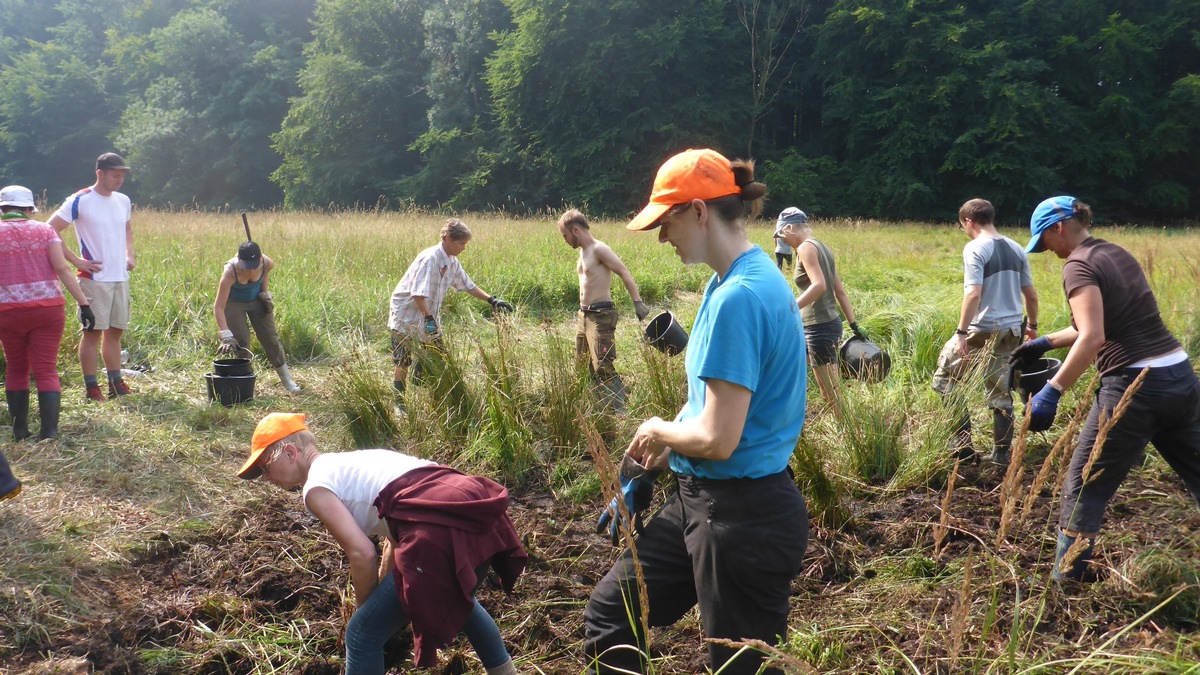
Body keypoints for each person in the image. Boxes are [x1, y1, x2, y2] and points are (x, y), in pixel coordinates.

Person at [583, 149, 809, 675]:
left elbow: (719, 438)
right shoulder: (725, 284)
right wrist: (656, 456)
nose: (663, 236)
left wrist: (655, 427)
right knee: (612, 615)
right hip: (699, 499)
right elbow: (706, 408)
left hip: (741, 516)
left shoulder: (740, 297)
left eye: (667, 221)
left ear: (700, 211)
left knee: (739, 667)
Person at [237, 413, 525, 674]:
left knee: (361, 635)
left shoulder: (315, 488)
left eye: (265, 468)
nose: (265, 479)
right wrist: (381, 601)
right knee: (455, 595)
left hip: (439, 527)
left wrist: (365, 611)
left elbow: (362, 553)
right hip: (474, 507)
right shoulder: (354, 461)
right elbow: (392, 542)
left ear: (290, 453)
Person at [1015, 196, 1200, 581]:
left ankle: (1068, 579)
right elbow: (1099, 323)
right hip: (1180, 378)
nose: (1047, 251)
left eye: (1044, 241)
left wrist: (1053, 390)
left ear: (1058, 227)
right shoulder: (1114, 252)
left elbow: (1093, 337)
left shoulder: (1078, 265)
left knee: (1084, 485)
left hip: (1135, 386)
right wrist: (1044, 342)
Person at [930, 198, 1038, 464]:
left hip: (982, 328)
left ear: (968, 221)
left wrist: (960, 333)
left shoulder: (975, 248)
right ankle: (1001, 455)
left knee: (943, 381)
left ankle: (962, 447)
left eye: (962, 225)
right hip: (1012, 329)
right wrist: (1032, 327)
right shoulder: (1016, 248)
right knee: (1001, 392)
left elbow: (973, 293)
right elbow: (1031, 295)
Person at [1, 185, 94, 442]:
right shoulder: (45, 230)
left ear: (3, 209)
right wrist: (84, 304)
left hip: (7, 312)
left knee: (17, 367)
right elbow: (63, 270)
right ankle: (49, 432)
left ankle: (19, 430)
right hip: (48, 310)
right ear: (30, 209)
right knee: (46, 370)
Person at [387, 219, 512, 409]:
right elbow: (417, 293)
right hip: (406, 314)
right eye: (461, 243)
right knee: (403, 360)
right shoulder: (430, 259)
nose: (463, 248)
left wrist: (492, 300)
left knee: (438, 354)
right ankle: (399, 404)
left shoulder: (452, 262)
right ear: (446, 238)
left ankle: (423, 387)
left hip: (427, 314)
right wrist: (428, 319)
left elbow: (467, 285)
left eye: (465, 244)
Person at [49, 152, 135, 402]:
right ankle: (91, 387)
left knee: (116, 331)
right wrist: (75, 260)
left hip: (120, 277)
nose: (120, 180)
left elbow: (127, 229)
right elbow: (49, 230)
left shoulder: (123, 200)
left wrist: (131, 255)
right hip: (93, 279)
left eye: (122, 176)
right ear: (100, 173)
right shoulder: (80, 200)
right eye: (115, 175)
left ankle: (116, 382)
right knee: (92, 333)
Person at [557, 208, 650, 412]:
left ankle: (620, 412)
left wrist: (638, 302)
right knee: (582, 366)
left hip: (601, 317)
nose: (564, 240)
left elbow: (624, 272)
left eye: (564, 235)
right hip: (584, 316)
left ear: (575, 230)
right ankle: (593, 408)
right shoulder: (583, 252)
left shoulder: (599, 249)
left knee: (604, 366)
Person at [776, 207, 861, 405]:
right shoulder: (823, 248)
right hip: (826, 324)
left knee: (830, 393)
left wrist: (790, 309)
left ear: (789, 227)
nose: (782, 241)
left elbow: (820, 285)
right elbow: (839, 291)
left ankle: (847, 431)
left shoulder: (805, 248)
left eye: (781, 235)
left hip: (819, 327)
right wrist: (854, 324)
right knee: (792, 368)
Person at [213, 241, 300, 393]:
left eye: (253, 265)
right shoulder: (230, 271)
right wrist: (226, 334)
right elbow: (219, 307)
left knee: (270, 338)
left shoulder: (267, 263)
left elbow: (265, 274)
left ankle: (287, 381)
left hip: (256, 300)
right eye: (246, 265)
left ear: (260, 259)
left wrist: (265, 294)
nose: (249, 269)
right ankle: (243, 382)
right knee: (241, 340)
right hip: (234, 304)